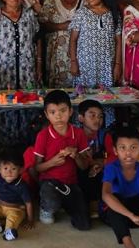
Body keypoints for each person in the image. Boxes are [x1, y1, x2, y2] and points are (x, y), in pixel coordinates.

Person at [34, 90, 91, 230]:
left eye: (63, 111)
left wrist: (76, 155)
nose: (58, 116)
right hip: (50, 182)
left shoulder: (78, 133)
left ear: (71, 111)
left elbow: (84, 167)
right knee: (49, 214)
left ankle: (64, 202)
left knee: (84, 224)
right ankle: (47, 206)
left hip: (71, 183)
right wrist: (52, 162)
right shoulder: (43, 135)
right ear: (47, 115)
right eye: (53, 112)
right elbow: (36, 168)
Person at [69, 0, 122, 95]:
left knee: (106, 97)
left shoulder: (113, 14)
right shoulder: (81, 13)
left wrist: (118, 65)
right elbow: (73, 40)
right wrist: (73, 62)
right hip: (85, 65)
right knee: (85, 99)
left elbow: (118, 41)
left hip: (107, 65)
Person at [41, 0, 84, 88]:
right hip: (57, 53)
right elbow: (42, 25)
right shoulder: (51, 0)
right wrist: (61, 26)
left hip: (81, 52)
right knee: (59, 91)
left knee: (82, 89)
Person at [0, 147, 35, 241]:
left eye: (13, 168)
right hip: (0, 207)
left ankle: (8, 231)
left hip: (16, 209)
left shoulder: (21, 186)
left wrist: (30, 220)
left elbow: (28, 203)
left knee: (12, 219)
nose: (9, 172)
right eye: (5, 168)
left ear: (21, 170)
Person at [76, 100, 113, 218]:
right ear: (81, 118)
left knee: (102, 174)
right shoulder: (75, 135)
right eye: (92, 115)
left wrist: (100, 164)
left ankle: (96, 204)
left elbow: (113, 156)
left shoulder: (104, 135)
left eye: (100, 116)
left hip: (99, 168)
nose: (97, 119)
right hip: (80, 168)